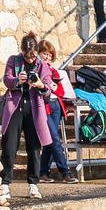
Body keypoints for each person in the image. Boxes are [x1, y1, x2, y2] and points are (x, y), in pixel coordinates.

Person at [0, 33, 52, 199]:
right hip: (15, 107)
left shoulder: (42, 65)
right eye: (27, 56)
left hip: (34, 108)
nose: (30, 60)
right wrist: (18, 81)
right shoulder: (13, 61)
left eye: (33, 56)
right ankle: (5, 183)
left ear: (36, 52)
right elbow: (6, 80)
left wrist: (40, 84)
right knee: (9, 145)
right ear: (22, 51)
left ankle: (33, 185)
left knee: (34, 147)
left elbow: (49, 88)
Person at [34, 40, 77, 184]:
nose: (46, 57)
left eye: (48, 54)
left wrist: (53, 87)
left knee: (49, 142)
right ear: (38, 53)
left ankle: (43, 172)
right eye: (43, 54)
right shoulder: (36, 69)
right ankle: (65, 172)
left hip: (55, 106)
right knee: (54, 139)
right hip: (44, 106)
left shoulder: (53, 70)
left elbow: (61, 91)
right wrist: (47, 87)